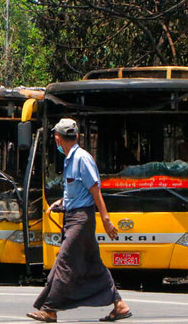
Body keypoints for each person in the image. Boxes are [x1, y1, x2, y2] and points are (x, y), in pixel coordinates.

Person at [28, 118, 132, 323]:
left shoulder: (82, 158)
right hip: (73, 217)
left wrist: (106, 219)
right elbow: (76, 192)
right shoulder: (69, 159)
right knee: (93, 264)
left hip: (81, 220)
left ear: (58, 138)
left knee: (64, 261)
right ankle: (120, 305)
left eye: (55, 138)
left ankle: (50, 309)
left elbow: (95, 191)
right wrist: (59, 203)